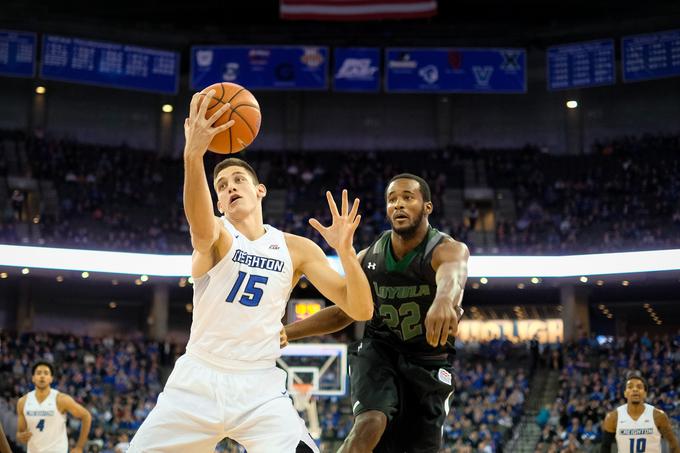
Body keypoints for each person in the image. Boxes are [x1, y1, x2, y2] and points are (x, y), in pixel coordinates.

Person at [128, 90, 373, 453]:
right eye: (221, 187)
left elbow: (361, 310)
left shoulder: (296, 248)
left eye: (237, 181)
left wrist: (347, 254)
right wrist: (193, 155)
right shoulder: (217, 235)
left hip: (259, 386)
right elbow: (199, 225)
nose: (229, 189)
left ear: (259, 190)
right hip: (197, 382)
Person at [284, 173, 469, 453]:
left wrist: (444, 300)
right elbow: (344, 312)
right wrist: (286, 332)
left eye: (408, 197)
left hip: (429, 363)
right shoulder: (369, 257)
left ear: (427, 207)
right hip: (379, 352)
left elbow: (452, 278)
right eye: (392, 199)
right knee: (369, 424)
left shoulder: (447, 249)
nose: (398, 205)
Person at [16, 361, 92, 453]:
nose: (42, 376)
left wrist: (79, 447)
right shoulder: (23, 402)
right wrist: (20, 436)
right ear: (33, 378)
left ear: (51, 378)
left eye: (46, 373)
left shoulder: (61, 399)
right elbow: (21, 432)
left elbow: (86, 416)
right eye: (39, 373)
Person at [600, 371, 680, 453]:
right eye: (630, 387)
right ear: (625, 393)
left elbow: (674, 444)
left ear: (645, 393)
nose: (635, 390)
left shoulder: (659, 416)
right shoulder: (613, 417)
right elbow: (605, 447)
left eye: (639, 387)